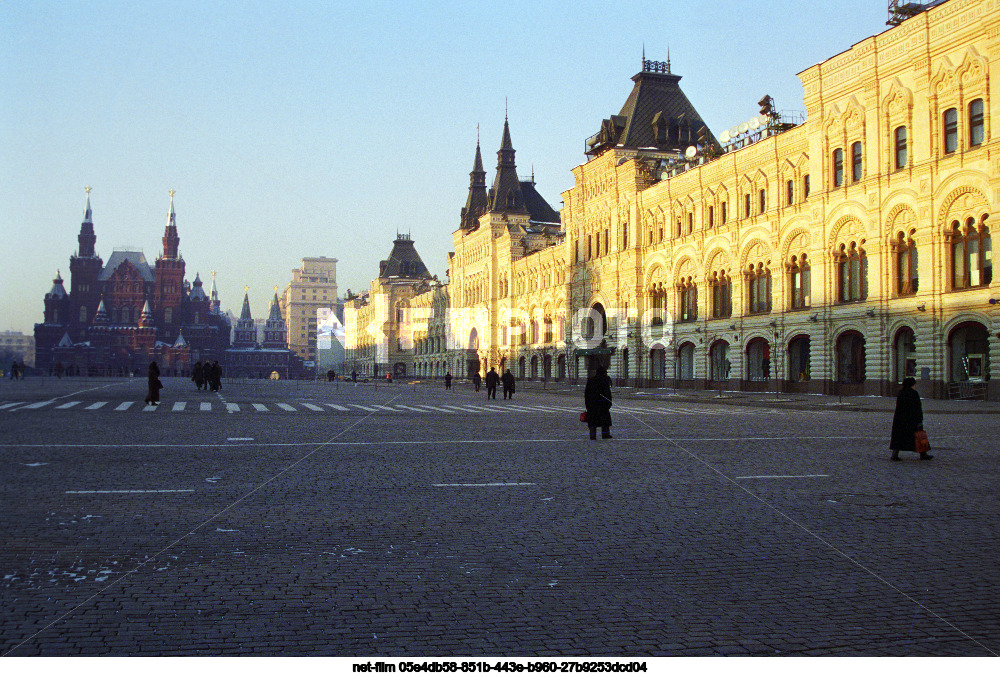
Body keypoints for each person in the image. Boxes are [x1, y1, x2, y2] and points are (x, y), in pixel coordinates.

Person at [890, 377, 931, 461]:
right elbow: (917, 407)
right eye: (913, 384)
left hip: (901, 419)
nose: (914, 386)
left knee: (899, 437)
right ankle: (923, 454)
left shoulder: (901, 393)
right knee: (919, 435)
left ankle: (894, 454)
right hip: (912, 419)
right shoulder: (913, 393)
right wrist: (920, 419)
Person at [584, 365, 613, 440]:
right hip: (602, 404)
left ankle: (592, 436)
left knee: (593, 421)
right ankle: (605, 434)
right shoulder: (604, 380)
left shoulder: (590, 380)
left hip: (592, 404)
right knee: (605, 421)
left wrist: (587, 404)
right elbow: (607, 393)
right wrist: (609, 402)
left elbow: (586, 393)